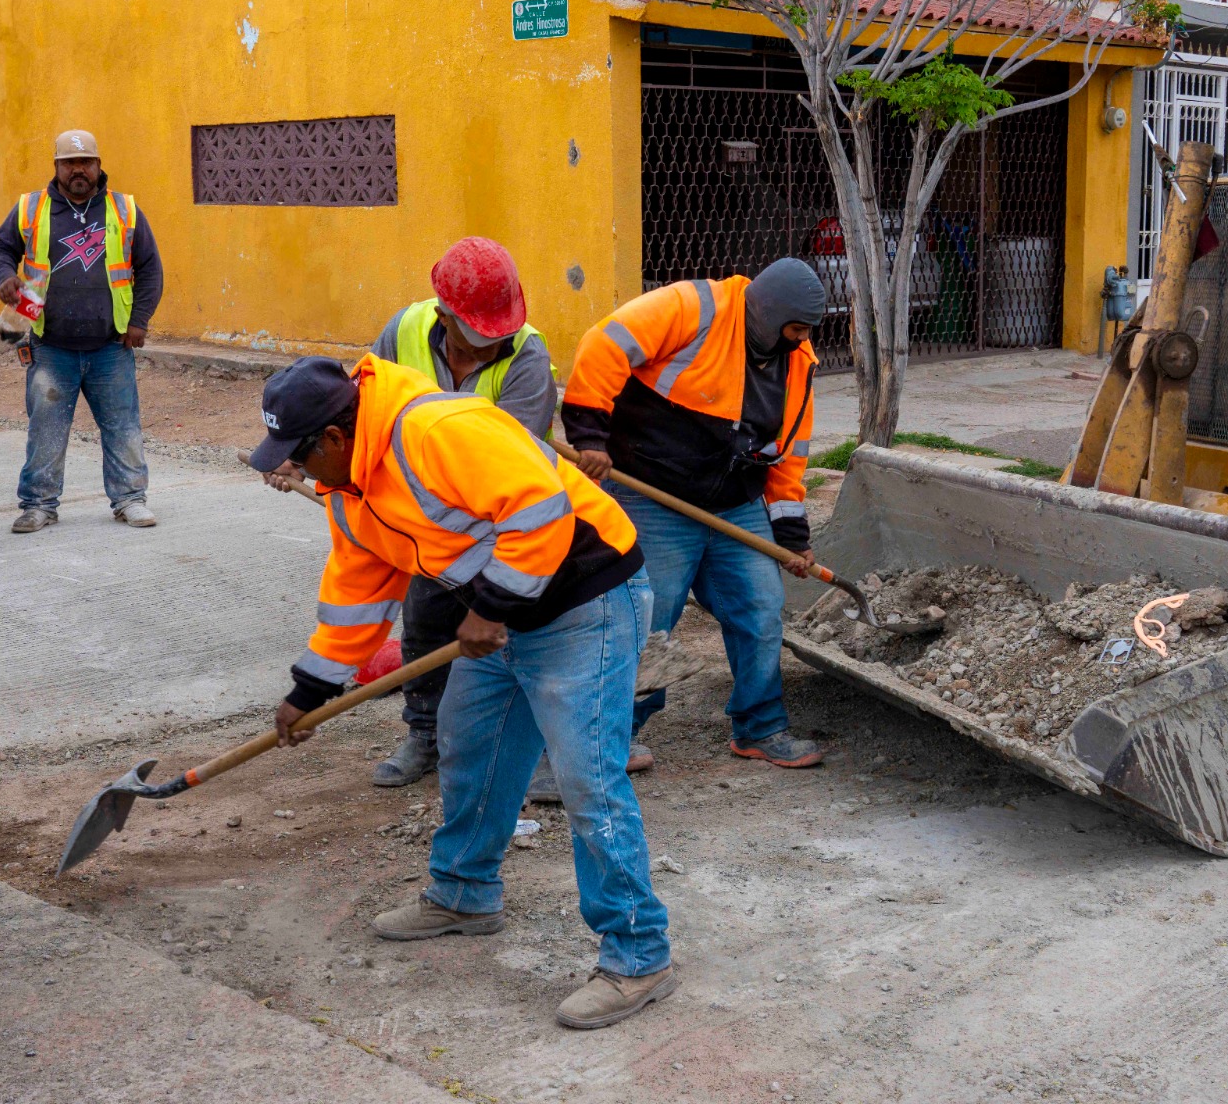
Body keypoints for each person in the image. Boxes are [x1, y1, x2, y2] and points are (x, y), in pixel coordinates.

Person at [249, 354, 674, 1029]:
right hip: (505, 616)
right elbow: (358, 594)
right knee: (470, 743)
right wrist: (310, 691)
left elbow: (541, 509)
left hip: (586, 597)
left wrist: (494, 606)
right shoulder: (352, 491)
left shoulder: (438, 431)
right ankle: (465, 892)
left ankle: (638, 954)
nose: (295, 472)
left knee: (587, 778)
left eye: (299, 456)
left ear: (333, 437)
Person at [563, 258, 827, 769]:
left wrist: (791, 535)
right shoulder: (694, 307)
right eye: (795, 329)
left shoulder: (796, 361)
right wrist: (589, 435)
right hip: (655, 495)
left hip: (735, 504)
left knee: (761, 607)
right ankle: (612, 736)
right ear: (769, 315)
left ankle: (760, 726)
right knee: (649, 615)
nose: (800, 340)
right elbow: (605, 343)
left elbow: (790, 452)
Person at [366, 237, 557, 788]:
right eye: (476, 336)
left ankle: (540, 749)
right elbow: (367, 405)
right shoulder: (403, 331)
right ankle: (425, 735)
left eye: (495, 336)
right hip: (434, 522)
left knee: (524, 633)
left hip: (508, 522)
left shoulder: (527, 353)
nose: (487, 348)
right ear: (445, 315)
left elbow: (511, 457)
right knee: (425, 624)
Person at [0, 130, 163, 533]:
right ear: (57, 167)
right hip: (50, 344)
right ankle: (39, 506)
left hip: (110, 345)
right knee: (46, 428)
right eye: (70, 163)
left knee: (122, 426)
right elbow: (0, 250)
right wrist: (4, 276)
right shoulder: (31, 208)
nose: (78, 170)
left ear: (99, 166)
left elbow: (149, 268)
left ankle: (130, 499)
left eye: (86, 162)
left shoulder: (125, 209)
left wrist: (138, 321)